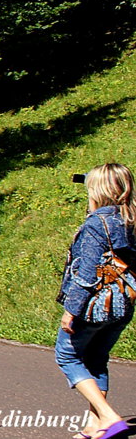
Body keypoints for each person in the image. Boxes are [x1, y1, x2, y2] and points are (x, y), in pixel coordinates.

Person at [57, 163, 136, 439]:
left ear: (97, 190)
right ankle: (95, 425)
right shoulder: (130, 220)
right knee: (96, 358)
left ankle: (109, 416)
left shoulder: (97, 224)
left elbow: (86, 275)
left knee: (67, 355)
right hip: (122, 305)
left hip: (94, 307)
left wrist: (71, 310)